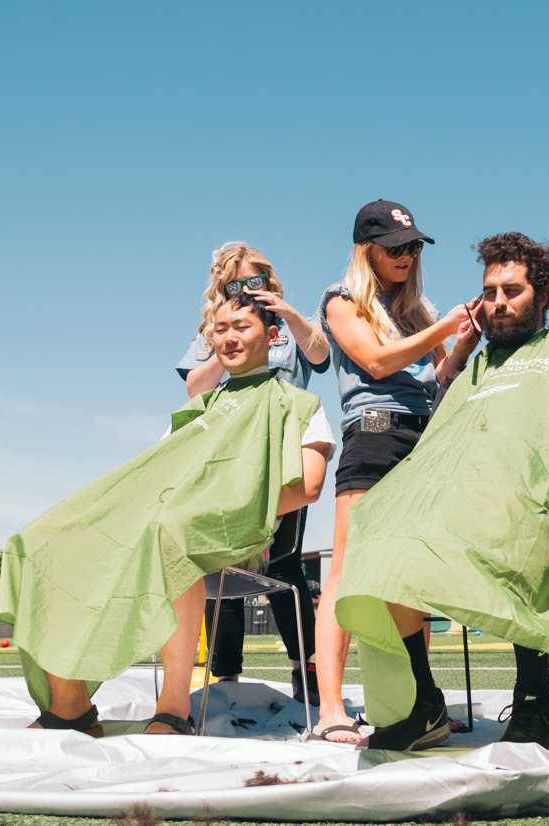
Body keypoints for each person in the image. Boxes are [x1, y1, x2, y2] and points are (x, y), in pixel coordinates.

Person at [334, 232, 549, 751]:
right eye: (490, 291)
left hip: (536, 505)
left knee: (512, 521)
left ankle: (535, 700)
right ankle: (425, 704)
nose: (498, 302)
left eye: (512, 291)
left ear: (542, 295)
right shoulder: (473, 369)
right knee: (380, 530)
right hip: (464, 502)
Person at [0, 295, 335, 735]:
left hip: (238, 534)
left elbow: (307, 487)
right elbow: (153, 478)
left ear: (272, 336)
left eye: (242, 326)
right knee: (39, 540)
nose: (229, 337)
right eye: (221, 328)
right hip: (163, 521)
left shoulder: (298, 404)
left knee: (174, 530)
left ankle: (174, 707)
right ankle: (71, 705)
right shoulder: (196, 412)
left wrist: (216, 505)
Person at [310, 199, 479, 743]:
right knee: (346, 571)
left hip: (423, 435)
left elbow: (442, 377)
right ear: (367, 251)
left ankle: (419, 703)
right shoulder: (340, 300)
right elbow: (378, 362)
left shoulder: (416, 309)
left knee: (410, 574)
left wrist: (467, 337)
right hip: (376, 431)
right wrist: (443, 327)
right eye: (395, 248)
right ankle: (332, 709)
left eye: (412, 247)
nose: (406, 256)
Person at [176, 242, 330, 706]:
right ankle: (225, 676)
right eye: (233, 283)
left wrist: (285, 314)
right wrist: (230, 341)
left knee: (284, 561)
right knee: (217, 559)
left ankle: (308, 668)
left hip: (282, 441)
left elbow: (321, 358)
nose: (244, 291)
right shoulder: (216, 330)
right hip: (231, 448)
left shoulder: (287, 322)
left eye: (253, 281)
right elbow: (192, 387)